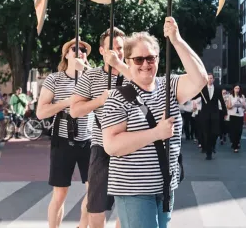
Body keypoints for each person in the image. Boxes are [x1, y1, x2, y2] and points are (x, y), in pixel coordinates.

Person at [102, 18, 208, 228]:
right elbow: (111, 145)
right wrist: (156, 133)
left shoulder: (169, 86)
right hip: (134, 190)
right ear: (128, 61)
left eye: (150, 58)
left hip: (165, 186)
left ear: (158, 59)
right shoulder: (117, 97)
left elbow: (200, 79)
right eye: (138, 59)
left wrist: (176, 40)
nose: (145, 64)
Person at [70, 27, 127, 228]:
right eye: (111, 48)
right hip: (101, 146)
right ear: (102, 51)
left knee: (127, 205)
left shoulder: (133, 74)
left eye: (120, 47)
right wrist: (99, 101)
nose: (116, 52)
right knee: (95, 205)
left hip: (130, 148)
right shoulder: (91, 77)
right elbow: (75, 111)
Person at [37, 39, 93, 228]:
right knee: (60, 193)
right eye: (75, 48)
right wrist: (67, 102)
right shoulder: (55, 79)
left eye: (84, 50)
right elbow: (41, 112)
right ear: (66, 54)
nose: (80, 52)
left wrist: (87, 71)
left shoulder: (93, 77)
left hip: (89, 140)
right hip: (62, 140)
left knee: (93, 191)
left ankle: (82, 226)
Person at [192, 74, 226, 160]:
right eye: (208, 78)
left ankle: (212, 145)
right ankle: (208, 153)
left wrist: (225, 112)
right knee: (206, 133)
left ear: (213, 79)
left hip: (215, 114)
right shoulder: (202, 89)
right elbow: (194, 96)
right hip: (205, 114)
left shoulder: (218, 89)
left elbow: (221, 100)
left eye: (211, 78)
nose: (210, 80)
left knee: (215, 133)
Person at [226, 86, 246, 153]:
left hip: (240, 115)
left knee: (239, 131)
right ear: (233, 89)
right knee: (233, 131)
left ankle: (237, 142)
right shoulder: (230, 96)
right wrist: (234, 104)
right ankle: (235, 146)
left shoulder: (242, 96)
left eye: (238, 88)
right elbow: (228, 107)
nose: (237, 90)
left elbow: (245, 107)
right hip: (233, 115)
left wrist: (240, 102)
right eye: (236, 88)